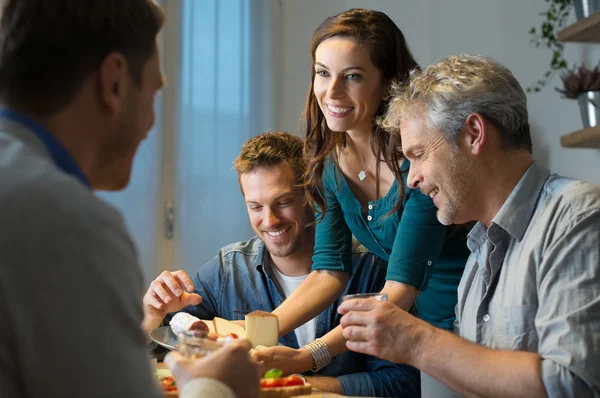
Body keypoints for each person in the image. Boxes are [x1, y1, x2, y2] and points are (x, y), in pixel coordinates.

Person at [0, 1, 258, 397]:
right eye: (154, 91)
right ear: (115, 82)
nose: (151, 124)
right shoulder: (69, 221)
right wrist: (215, 387)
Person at [339, 54, 600, 397]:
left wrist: (418, 342)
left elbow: (571, 385)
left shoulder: (577, 217)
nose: (412, 178)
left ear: (474, 134)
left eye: (418, 154)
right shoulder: (478, 252)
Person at [255, 8, 470, 383]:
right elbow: (329, 270)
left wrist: (308, 355)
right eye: (323, 73)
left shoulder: (417, 159)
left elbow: (399, 288)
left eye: (352, 76)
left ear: (387, 84)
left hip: (473, 318)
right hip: (424, 331)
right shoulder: (329, 161)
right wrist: (256, 334)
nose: (331, 92)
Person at [143, 131, 420, 397]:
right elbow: (155, 357)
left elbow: (402, 383)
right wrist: (153, 315)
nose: (270, 220)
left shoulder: (371, 268)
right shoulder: (228, 271)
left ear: (313, 196)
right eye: (255, 207)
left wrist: (294, 383)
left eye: (283, 202)